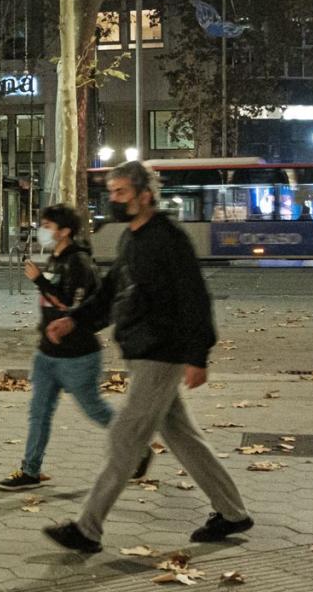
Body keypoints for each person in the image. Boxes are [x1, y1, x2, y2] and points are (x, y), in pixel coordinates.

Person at [43, 160, 251, 554]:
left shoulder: (168, 238)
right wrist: (75, 321)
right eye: (112, 191)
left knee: (125, 437)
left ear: (144, 195)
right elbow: (109, 293)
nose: (115, 199)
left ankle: (88, 529)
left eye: (121, 192)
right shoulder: (130, 239)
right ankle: (233, 512)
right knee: (182, 436)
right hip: (142, 350)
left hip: (162, 351)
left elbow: (194, 297)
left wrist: (197, 356)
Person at [0, 204, 115, 491]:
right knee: (39, 412)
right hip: (47, 352)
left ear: (65, 231)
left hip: (78, 354)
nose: (43, 230)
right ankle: (30, 471)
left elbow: (70, 306)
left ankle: (136, 444)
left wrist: (38, 281)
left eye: (48, 226)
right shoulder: (56, 256)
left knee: (95, 409)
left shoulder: (78, 262)